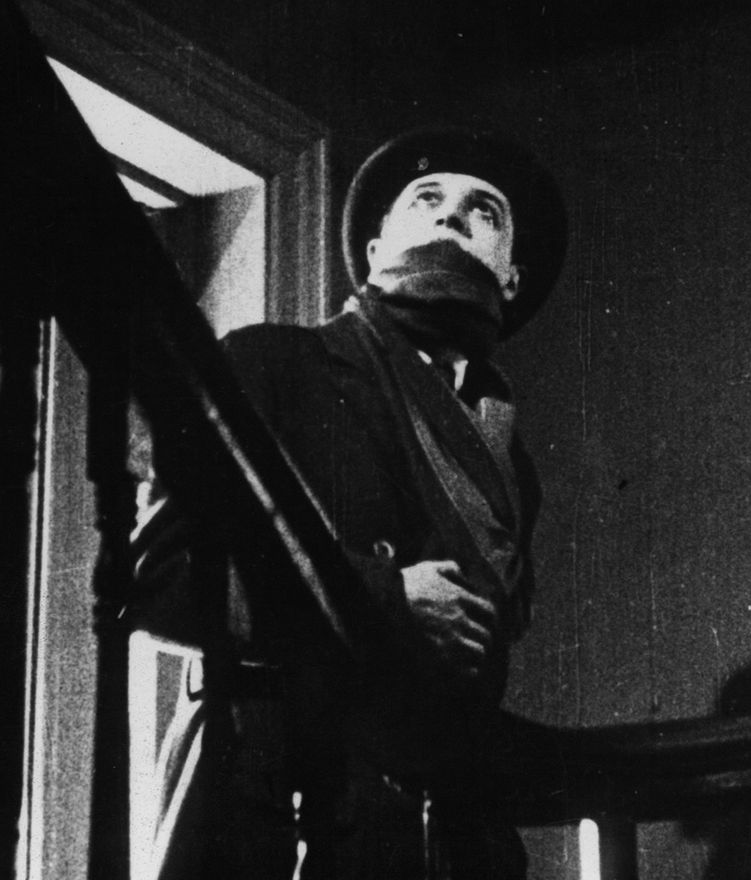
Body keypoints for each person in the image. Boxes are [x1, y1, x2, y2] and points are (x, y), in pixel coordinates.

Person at [129, 126, 568, 880]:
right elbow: (159, 581)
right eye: (426, 199)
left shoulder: (510, 455)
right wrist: (384, 596)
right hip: (282, 816)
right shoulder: (271, 363)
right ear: (373, 252)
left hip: (444, 842)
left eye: (485, 212)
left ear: (513, 276)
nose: (453, 216)